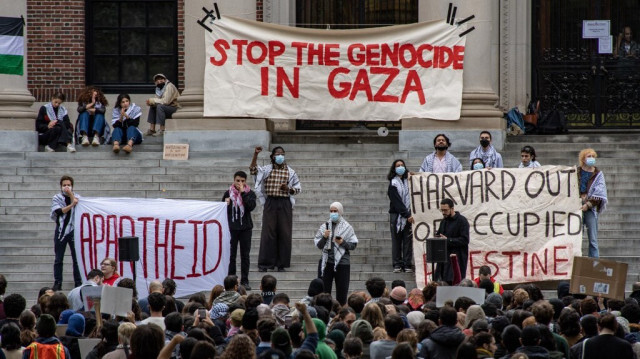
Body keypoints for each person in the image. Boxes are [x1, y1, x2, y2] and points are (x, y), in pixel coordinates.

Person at [250, 146, 301, 272]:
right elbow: (252, 170)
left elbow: (298, 188)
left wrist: (288, 189)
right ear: (272, 156)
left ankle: (281, 264)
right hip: (271, 202)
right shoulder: (266, 169)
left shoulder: (290, 172)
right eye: (278, 154)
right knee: (268, 233)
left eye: (282, 154)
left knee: (284, 233)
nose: (280, 156)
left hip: (284, 203)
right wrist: (255, 155)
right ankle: (265, 263)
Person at [314, 202, 358, 306]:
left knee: (342, 293)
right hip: (326, 262)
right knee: (324, 293)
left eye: (335, 211)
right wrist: (325, 237)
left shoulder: (347, 227)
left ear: (340, 212)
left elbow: (353, 245)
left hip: (342, 263)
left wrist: (343, 242)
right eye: (331, 211)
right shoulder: (324, 226)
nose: (333, 213)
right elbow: (319, 245)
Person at [223, 170, 257, 290]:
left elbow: (250, 206)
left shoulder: (250, 193)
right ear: (234, 180)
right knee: (231, 255)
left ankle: (244, 280)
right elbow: (222, 211)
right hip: (232, 228)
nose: (240, 183)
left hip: (245, 228)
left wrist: (243, 193)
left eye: (242, 181)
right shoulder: (228, 193)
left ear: (245, 181)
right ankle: (231, 280)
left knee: (245, 255)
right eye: (238, 181)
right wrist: (225, 204)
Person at [51, 175, 82, 290]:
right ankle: (58, 282)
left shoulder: (77, 197)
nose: (66, 187)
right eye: (64, 185)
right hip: (61, 231)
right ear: (61, 186)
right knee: (59, 259)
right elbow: (59, 211)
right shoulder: (57, 198)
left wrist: (71, 196)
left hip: (74, 231)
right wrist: (71, 205)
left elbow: (79, 205)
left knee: (76, 259)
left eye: (68, 185)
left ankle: (78, 282)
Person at [578, 148, 607, 258]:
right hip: (578, 207)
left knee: (593, 240)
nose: (591, 159)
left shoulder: (598, 174)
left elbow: (600, 193)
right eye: (588, 156)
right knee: (576, 238)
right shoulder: (577, 172)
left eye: (593, 156)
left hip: (590, 209)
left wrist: (588, 204)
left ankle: (594, 264)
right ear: (583, 159)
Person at [387, 159, 414, 273]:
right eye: (398, 165)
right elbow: (396, 201)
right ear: (394, 168)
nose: (400, 167)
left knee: (408, 241)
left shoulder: (409, 181)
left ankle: (407, 263)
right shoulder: (393, 184)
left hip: (409, 215)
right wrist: (406, 214)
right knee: (397, 240)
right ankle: (397, 263)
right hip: (397, 215)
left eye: (402, 165)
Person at [434, 198, 469, 283]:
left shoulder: (462, 221)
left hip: (456, 260)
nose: (443, 213)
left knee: (453, 282)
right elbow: (440, 235)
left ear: (452, 209)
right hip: (443, 260)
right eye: (441, 210)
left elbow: (465, 240)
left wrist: (448, 240)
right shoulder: (444, 221)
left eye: (445, 210)